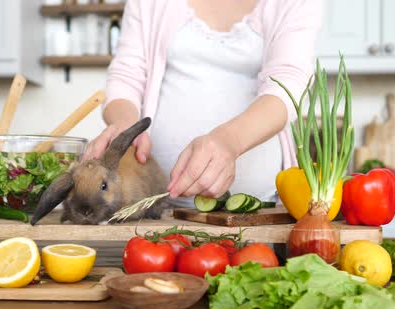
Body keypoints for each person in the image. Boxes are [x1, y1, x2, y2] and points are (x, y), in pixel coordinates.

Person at [83, 0, 323, 207]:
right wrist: (126, 125)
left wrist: (230, 141)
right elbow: (127, 75)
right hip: (157, 211)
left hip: (263, 210)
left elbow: (288, 84)